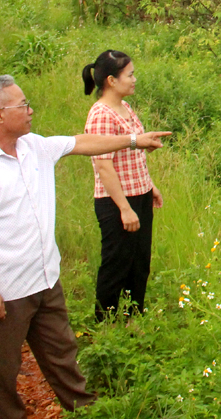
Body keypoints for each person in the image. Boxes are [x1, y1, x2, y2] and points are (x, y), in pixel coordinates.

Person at [0, 75, 170, 418]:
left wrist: (134, 140)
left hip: (46, 278)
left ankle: (84, 409)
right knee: (2, 369)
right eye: (22, 105)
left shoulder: (34, 146)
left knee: (63, 353)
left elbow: (81, 142)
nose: (31, 110)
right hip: (6, 291)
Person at [81, 50, 162, 321]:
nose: (134, 79)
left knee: (139, 264)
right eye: (130, 75)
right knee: (117, 265)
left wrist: (150, 186)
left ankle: (133, 319)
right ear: (112, 81)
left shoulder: (124, 106)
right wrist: (125, 209)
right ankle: (105, 326)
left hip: (139, 193)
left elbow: (132, 153)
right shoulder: (101, 114)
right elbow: (103, 165)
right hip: (117, 201)